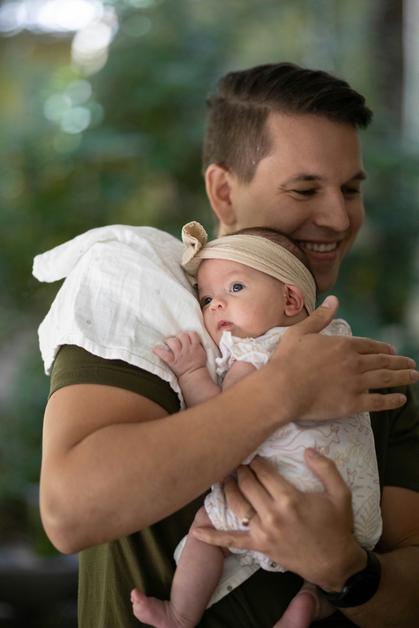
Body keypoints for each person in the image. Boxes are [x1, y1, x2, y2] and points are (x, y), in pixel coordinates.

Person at [33, 62, 419, 628]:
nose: (339, 217)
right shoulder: (143, 294)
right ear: (222, 190)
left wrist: (347, 570)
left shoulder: (372, 378)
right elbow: (70, 511)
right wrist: (281, 392)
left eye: (351, 189)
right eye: (305, 188)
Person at [130, 222, 383, 628]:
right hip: (356, 516)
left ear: (289, 298)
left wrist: (194, 372)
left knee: (206, 529)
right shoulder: (337, 345)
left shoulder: (256, 354)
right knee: (326, 577)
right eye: (207, 297)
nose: (214, 306)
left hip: (276, 499)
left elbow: (221, 423)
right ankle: (311, 600)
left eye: (235, 289)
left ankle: (179, 614)